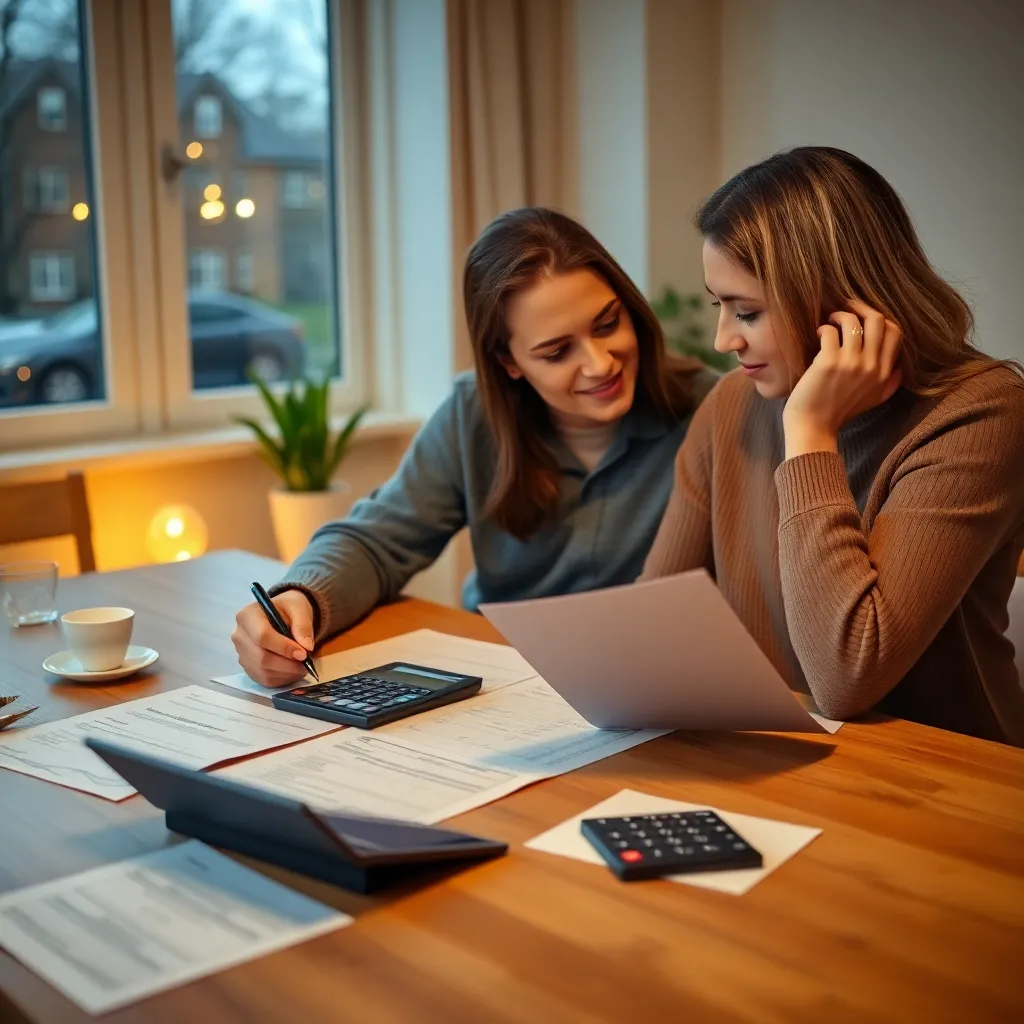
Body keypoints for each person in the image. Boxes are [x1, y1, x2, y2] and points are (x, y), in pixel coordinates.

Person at [234, 207, 717, 687]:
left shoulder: (712, 410)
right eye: (556, 352)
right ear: (508, 361)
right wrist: (300, 599)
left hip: (653, 687)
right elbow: (376, 539)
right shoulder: (473, 416)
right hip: (505, 681)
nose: (599, 364)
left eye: (608, 324)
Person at [642, 146, 1024, 745]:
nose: (722, 341)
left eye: (746, 312)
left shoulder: (982, 413)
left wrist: (810, 433)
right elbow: (652, 622)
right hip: (777, 755)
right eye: (720, 306)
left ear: (840, 303)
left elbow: (846, 678)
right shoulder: (730, 405)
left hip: (943, 775)